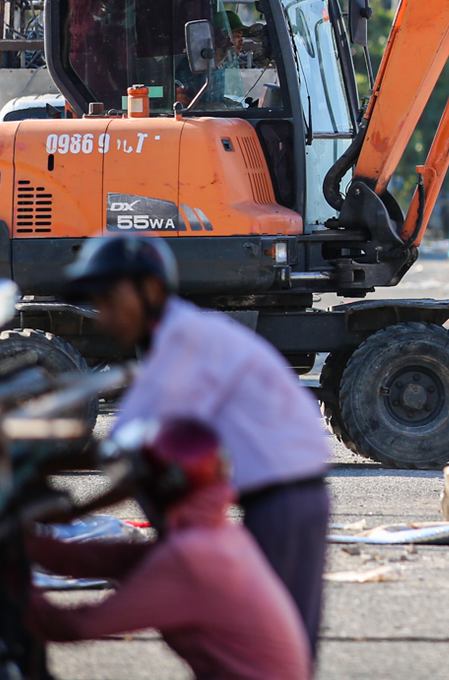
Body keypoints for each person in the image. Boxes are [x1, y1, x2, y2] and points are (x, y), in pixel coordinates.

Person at [63, 234, 331, 657]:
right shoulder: (175, 338)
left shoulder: (182, 340)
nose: (103, 315)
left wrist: (69, 508)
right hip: (282, 492)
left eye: (110, 300)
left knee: (280, 646)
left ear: (150, 291)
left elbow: (126, 447)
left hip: (287, 497)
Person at [27, 416, 311, 680]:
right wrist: (25, 541)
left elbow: (73, 626)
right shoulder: (215, 534)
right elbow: (103, 559)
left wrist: (13, 577)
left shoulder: (190, 555)